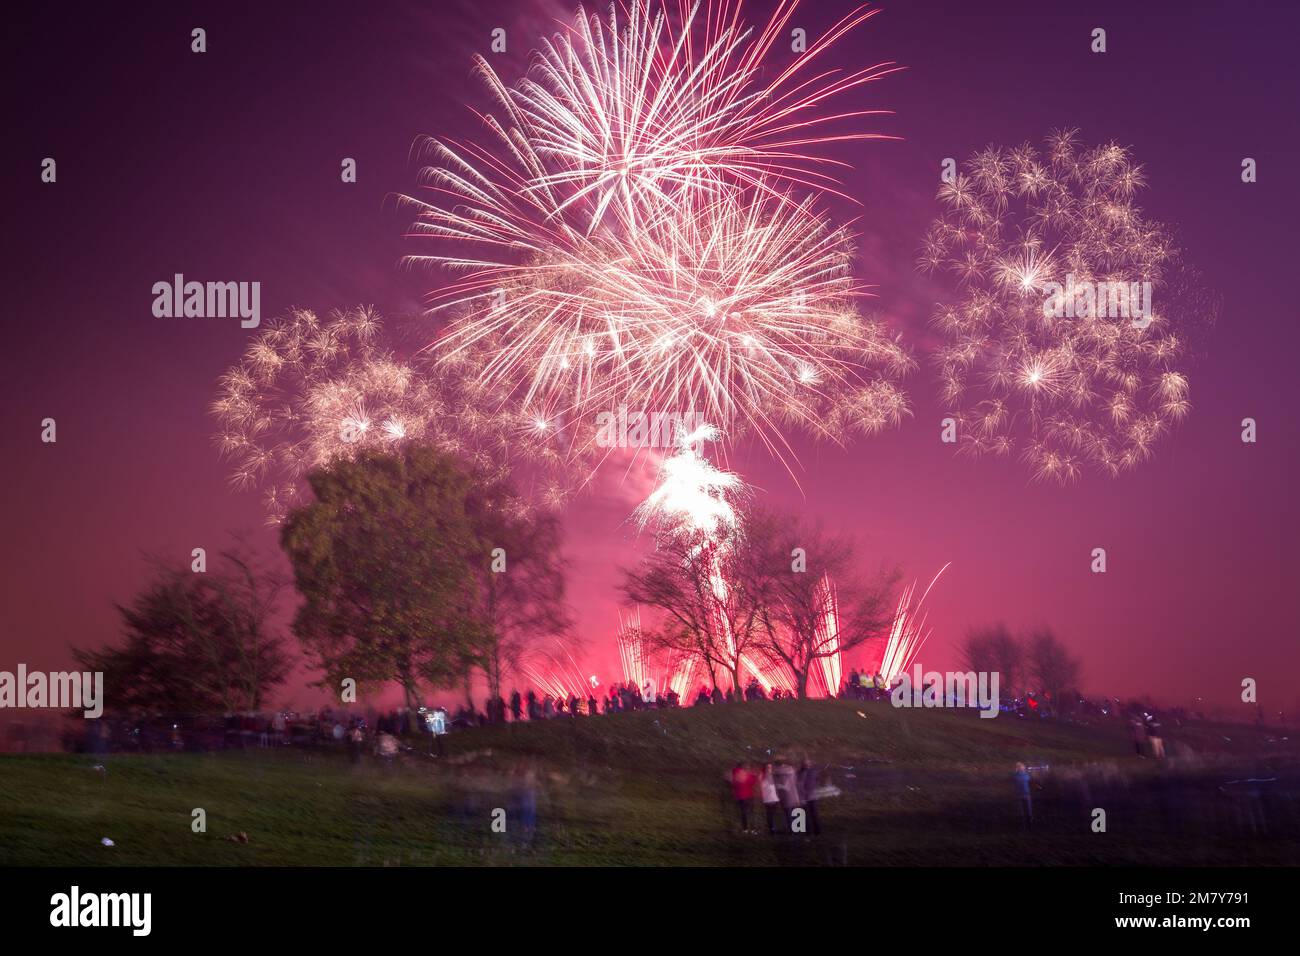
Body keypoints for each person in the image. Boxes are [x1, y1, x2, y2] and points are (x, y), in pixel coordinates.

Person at [731, 763, 758, 833]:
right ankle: (753, 829)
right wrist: (754, 775)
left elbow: (734, 785)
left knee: (743, 813)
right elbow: (752, 782)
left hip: (740, 797)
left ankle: (745, 829)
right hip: (748, 796)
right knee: (750, 813)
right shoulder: (746, 774)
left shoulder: (735, 775)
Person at [798, 758, 822, 836]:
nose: (807, 765)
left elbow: (817, 781)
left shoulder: (813, 771)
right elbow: (799, 785)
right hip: (806, 798)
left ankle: (816, 831)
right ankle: (810, 832)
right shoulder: (800, 773)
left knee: (814, 815)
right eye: (805, 763)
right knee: (806, 816)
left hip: (812, 797)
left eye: (808, 763)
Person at [760, 763, 782, 834]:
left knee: (773, 814)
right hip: (769, 799)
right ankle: (772, 829)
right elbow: (765, 787)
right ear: (766, 768)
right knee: (770, 815)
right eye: (768, 767)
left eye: (770, 767)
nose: (770, 769)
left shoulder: (772, 776)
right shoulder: (763, 776)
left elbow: (774, 787)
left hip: (774, 798)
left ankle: (774, 828)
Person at [1013, 762, 1033, 828]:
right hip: (1021, 794)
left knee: (1027, 810)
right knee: (1023, 810)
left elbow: (1029, 779)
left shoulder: (1017, 775)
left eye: (1022, 766)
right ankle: (1025, 823)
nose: (1023, 767)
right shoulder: (1021, 775)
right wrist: (1025, 772)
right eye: (1021, 766)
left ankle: (1028, 823)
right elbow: (1027, 778)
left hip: (1025, 794)